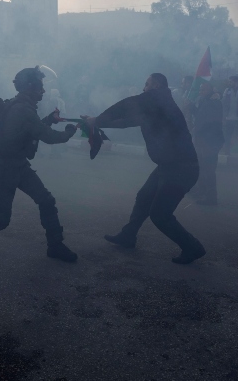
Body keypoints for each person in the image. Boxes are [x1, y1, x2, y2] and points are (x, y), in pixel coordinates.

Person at [83, 73, 206, 264]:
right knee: (144, 198)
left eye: (146, 84)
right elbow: (125, 122)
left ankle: (192, 247)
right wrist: (95, 121)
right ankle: (128, 236)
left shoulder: (158, 99)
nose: (143, 89)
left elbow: (125, 106)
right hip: (170, 166)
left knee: (160, 215)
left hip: (181, 169)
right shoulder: (155, 108)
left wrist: (98, 119)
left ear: (156, 85)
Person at [0, 67, 80, 262]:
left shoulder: (21, 106)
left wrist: (49, 119)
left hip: (18, 165)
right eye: (40, 87)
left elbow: (30, 128)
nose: (43, 91)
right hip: (4, 168)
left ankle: (55, 245)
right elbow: (47, 136)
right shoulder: (23, 109)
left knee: (46, 200)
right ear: (30, 87)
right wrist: (69, 132)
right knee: (1, 220)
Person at [189, 82, 224, 205]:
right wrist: (191, 107)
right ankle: (201, 190)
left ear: (210, 90)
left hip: (210, 140)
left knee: (208, 169)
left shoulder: (214, 102)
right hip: (201, 139)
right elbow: (199, 116)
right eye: (200, 89)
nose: (200, 92)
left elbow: (210, 122)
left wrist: (199, 131)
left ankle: (211, 197)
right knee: (201, 167)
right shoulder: (205, 101)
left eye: (203, 90)